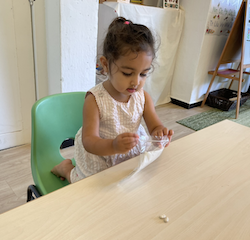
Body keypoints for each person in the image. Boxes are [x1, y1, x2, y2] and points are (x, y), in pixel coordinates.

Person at [51, 17, 174, 183]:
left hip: (129, 151)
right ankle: (66, 169)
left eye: (143, 73)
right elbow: (89, 141)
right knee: (88, 186)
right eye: (127, 73)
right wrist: (113, 146)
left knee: (131, 181)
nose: (136, 82)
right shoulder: (95, 100)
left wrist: (160, 132)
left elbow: (155, 125)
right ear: (106, 65)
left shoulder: (142, 97)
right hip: (100, 153)